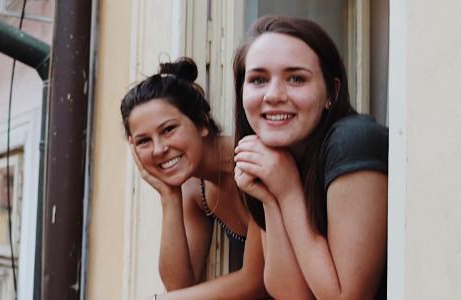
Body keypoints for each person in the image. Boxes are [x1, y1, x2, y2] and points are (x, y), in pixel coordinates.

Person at [232, 16, 388, 299]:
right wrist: (270, 197)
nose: (274, 95)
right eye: (258, 79)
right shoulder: (278, 159)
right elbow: (292, 294)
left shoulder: (353, 142)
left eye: (296, 78)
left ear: (332, 91)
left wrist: (288, 191)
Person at [121, 57, 266, 299]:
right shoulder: (195, 188)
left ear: (201, 123)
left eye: (168, 130)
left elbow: (256, 280)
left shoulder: (253, 162)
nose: (158, 149)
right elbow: (180, 286)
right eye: (144, 141)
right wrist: (169, 197)